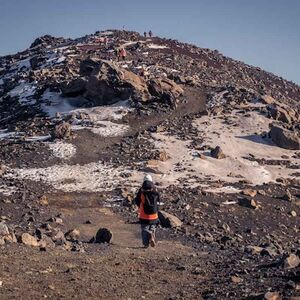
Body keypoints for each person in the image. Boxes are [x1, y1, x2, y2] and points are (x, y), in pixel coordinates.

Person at [134, 174, 160, 248]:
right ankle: (151, 234)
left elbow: (137, 200)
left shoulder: (141, 190)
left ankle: (146, 244)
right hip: (154, 214)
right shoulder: (155, 189)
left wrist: (140, 207)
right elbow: (158, 200)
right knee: (153, 226)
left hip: (144, 215)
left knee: (144, 228)